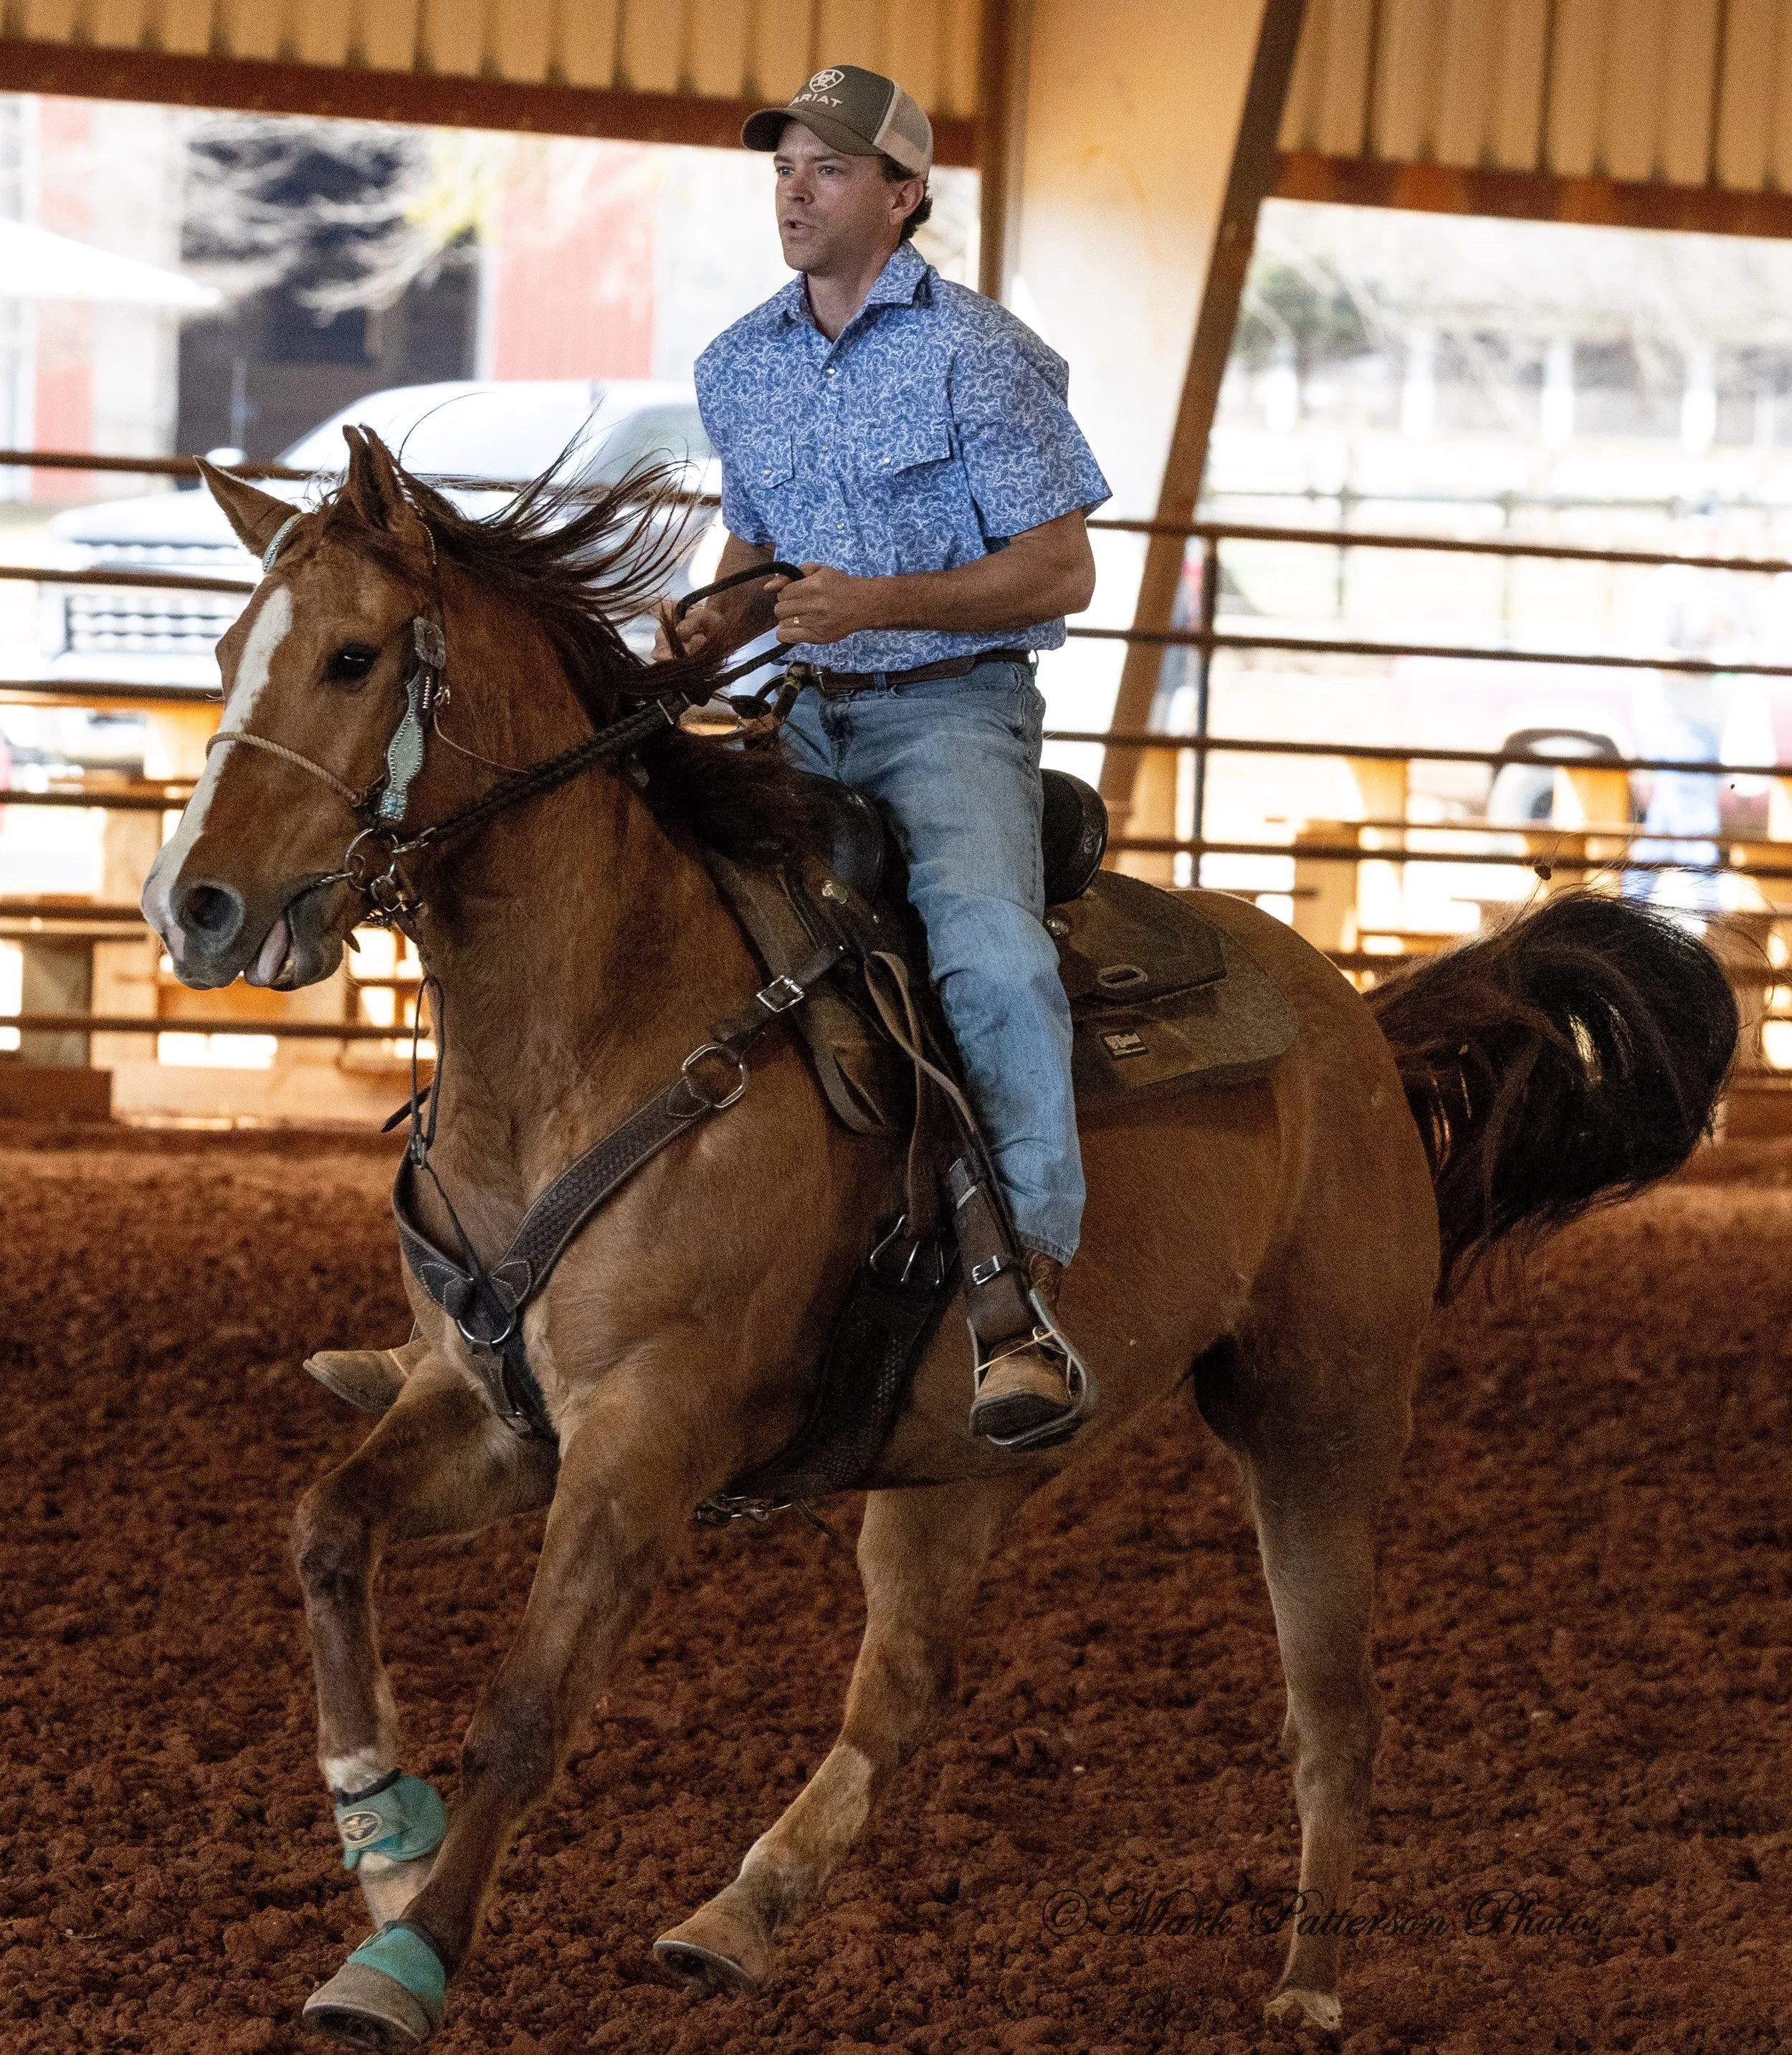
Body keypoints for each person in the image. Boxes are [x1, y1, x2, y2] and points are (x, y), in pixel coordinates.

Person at [306, 63, 1110, 1446]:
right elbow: (759, 541)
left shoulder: (987, 356)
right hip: (794, 707)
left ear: (903, 197)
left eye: (830, 170)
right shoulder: (742, 362)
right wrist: (710, 616)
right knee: (625, 925)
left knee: (988, 949)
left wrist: (883, 601)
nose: (796, 190)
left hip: (951, 711)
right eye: (785, 167)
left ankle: (1023, 1301)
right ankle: (471, 1313)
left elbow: (1062, 569)